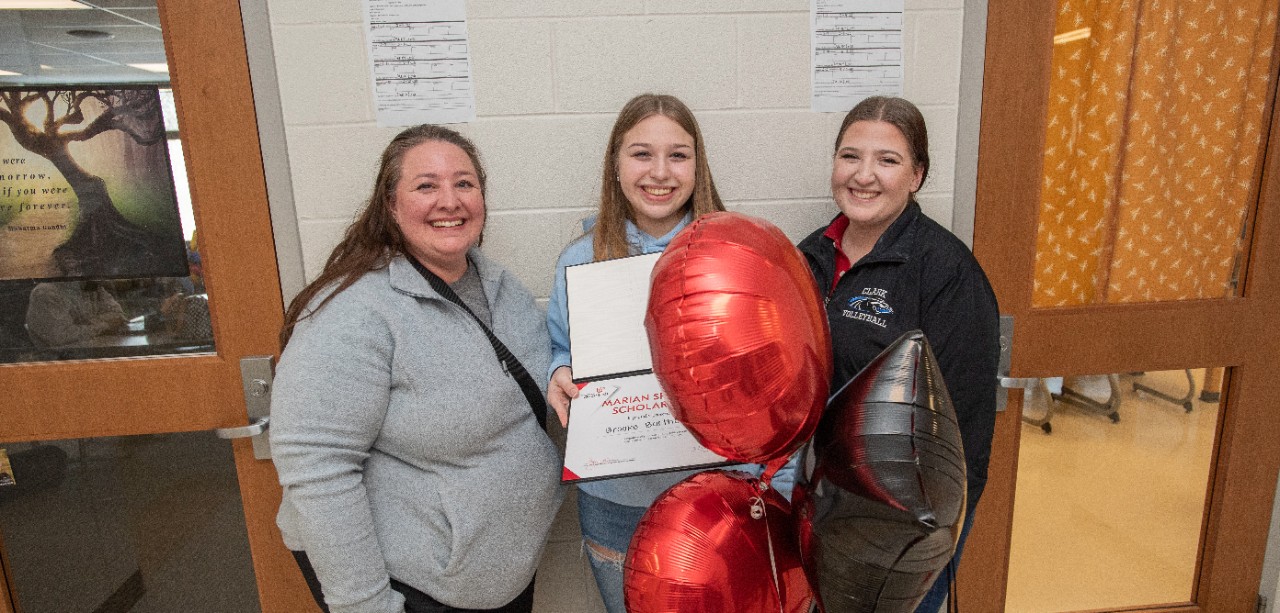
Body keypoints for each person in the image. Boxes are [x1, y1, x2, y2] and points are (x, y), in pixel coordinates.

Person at [270, 125, 563, 613]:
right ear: (390, 204)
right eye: (426, 185)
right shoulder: (354, 309)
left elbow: (535, 379)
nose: (449, 200)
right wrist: (366, 605)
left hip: (496, 573)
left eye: (464, 184)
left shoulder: (502, 288)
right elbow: (317, 468)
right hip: (411, 586)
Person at [546, 93, 793, 612]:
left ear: (697, 166)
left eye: (678, 155)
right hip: (617, 504)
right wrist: (559, 370)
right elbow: (561, 347)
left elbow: (777, 371)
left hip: (720, 494)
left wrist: (776, 486)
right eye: (641, 154)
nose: (660, 172)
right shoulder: (581, 259)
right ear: (615, 164)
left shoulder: (737, 254)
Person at [797, 96, 1000, 613]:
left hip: (898, 525)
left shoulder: (946, 274)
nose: (863, 175)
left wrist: (924, 547)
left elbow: (963, 440)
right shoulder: (809, 256)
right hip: (817, 500)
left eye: (887, 160)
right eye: (850, 156)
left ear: (917, 175)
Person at [24, 280, 128, 347]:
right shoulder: (46, 292)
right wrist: (104, 325)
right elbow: (61, 336)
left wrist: (89, 323)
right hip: (56, 364)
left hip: (92, 355)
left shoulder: (94, 287)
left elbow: (118, 315)